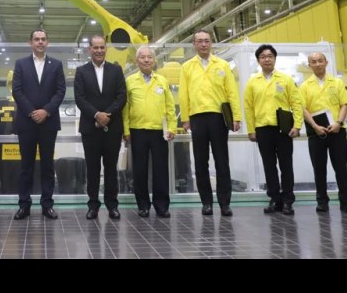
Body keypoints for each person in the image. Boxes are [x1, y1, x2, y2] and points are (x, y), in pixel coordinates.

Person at [179, 29, 241, 217]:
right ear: (194, 44)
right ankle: (206, 202)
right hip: (197, 117)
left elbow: (232, 92)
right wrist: (185, 118)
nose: (204, 44)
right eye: (200, 41)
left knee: (222, 161)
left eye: (206, 41)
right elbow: (183, 94)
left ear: (211, 43)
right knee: (200, 162)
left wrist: (236, 116)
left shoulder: (222, 65)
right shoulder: (187, 67)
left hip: (218, 117)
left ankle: (224, 203)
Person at [11, 29, 66, 220]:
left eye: (43, 39)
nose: (40, 42)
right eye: (36, 39)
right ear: (31, 42)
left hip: (48, 123)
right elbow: (17, 91)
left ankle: (47, 205)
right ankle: (24, 205)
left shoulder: (56, 65)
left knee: (47, 165)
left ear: (47, 42)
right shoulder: (21, 64)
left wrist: (46, 111)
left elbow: (60, 91)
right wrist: (32, 112)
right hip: (27, 122)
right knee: (26, 166)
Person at [244, 44, 302, 215]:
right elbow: (248, 107)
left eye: (270, 56)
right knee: (269, 166)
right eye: (263, 57)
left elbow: (296, 103)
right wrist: (251, 129)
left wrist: (297, 125)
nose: (267, 59)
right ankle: (274, 199)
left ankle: (288, 200)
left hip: (283, 129)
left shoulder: (286, 79)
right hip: (263, 129)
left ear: (275, 59)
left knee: (286, 165)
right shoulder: (252, 82)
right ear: (258, 61)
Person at [73, 35, 127, 220]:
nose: (99, 50)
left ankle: (112, 206)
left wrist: (106, 116)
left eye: (102, 47)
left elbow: (121, 96)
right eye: (95, 47)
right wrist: (96, 115)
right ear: (89, 49)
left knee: (111, 168)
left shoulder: (116, 70)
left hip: (112, 128)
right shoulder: (81, 71)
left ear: (106, 48)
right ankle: (93, 205)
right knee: (92, 168)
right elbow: (80, 98)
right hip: (90, 128)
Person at [123, 46, 176, 218]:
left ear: (154, 60)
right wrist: (126, 130)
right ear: (137, 61)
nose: (146, 60)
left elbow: (170, 106)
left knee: (161, 170)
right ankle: (143, 205)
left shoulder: (162, 81)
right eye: (142, 57)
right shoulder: (130, 81)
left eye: (149, 57)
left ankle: (162, 206)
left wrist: (172, 127)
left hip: (159, 131)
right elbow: (125, 108)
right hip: (137, 130)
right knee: (139, 170)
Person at [300, 52, 347, 214]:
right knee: (319, 169)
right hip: (316, 133)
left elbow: (344, 104)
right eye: (314, 62)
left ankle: (346, 202)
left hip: (337, 131)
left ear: (326, 62)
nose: (317, 64)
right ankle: (322, 202)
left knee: (341, 168)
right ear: (309, 65)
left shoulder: (337, 82)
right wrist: (315, 126)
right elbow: (303, 109)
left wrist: (339, 123)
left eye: (320, 61)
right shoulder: (304, 86)